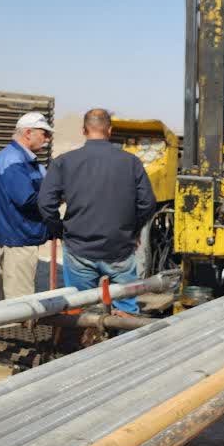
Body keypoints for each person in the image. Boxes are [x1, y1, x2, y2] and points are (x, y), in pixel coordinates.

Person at [37, 109, 155, 316]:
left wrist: (60, 230)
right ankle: (126, 333)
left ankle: (84, 334)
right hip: (120, 249)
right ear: (110, 130)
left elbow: (45, 203)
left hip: (79, 249)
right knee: (126, 312)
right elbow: (147, 203)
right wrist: (133, 231)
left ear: (84, 130)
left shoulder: (64, 162)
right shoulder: (131, 162)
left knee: (81, 310)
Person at [0, 112, 54, 300]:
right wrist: (56, 197)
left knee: (13, 299)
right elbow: (26, 199)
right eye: (44, 134)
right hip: (18, 240)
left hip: (18, 238)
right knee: (20, 304)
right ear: (28, 133)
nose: (47, 139)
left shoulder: (24, 160)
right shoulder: (13, 160)